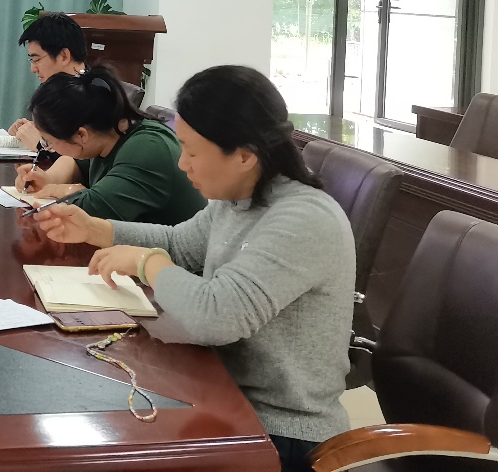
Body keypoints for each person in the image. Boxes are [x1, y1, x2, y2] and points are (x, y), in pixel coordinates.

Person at [34, 65, 355, 472]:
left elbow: (216, 316)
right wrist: (97, 229)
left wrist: (147, 263)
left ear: (244, 155)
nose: (183, 164)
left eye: (191, 151)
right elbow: (179, 245)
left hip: (278, 433)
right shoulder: (239, 197)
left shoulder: (303, 219)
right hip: (216, 390)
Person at [14, 66, 206, 224]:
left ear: (81, 135)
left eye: (48, 142)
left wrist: (68, 191)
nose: (49, 147)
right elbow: (75, 163)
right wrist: (49, 179)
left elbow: (91, 211)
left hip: (172, 257)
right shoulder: (106, 133)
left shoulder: (147, 148)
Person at [8, 12, 87, 151]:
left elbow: (82, 158)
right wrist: (32, 130)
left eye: (37, 60)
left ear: (64, 56)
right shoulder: (55, 91)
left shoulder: (94, 96)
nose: (33, 69)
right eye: (32, 60)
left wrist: (40, 145)